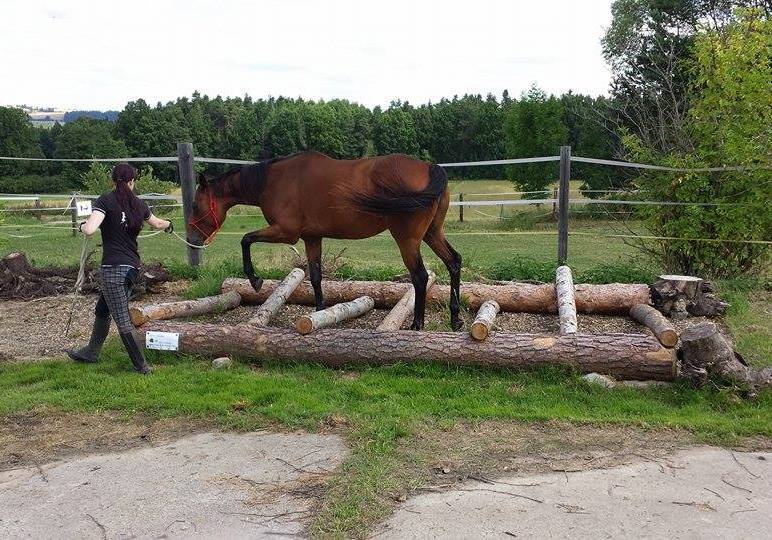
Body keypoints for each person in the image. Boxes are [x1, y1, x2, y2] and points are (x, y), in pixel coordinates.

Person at [65, 163, 173, 374]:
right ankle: (91, 352)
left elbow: (89, 229)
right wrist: (169, 224)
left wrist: (80, 226)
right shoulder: (139, 204)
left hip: (113, 268)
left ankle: (141, 366)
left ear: (113, 181)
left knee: (122, 319)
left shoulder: (105, 200)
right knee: (103, 309)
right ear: (132, 182)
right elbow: (158, 224)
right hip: (132, 268)